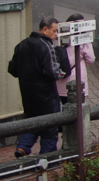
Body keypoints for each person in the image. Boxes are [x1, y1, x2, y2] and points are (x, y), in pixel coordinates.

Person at [8, 18, 65, 157]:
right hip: (46, 94)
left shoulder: (22, 44)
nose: (56, 34)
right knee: (49, 126)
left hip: (27, 93)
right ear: (45, 29)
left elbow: (12, 69)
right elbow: (51, 72)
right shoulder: (46, 46)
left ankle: (22, 147)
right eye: (54, 30)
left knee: (31, 121)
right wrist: (60, 73)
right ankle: (46, 159)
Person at [56, 13, 95, 105]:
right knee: (78, 107)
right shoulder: (83, 40)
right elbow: (91, 59)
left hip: (60, 80)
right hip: (77, 78)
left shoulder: (59, 38)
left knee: (64, 106)